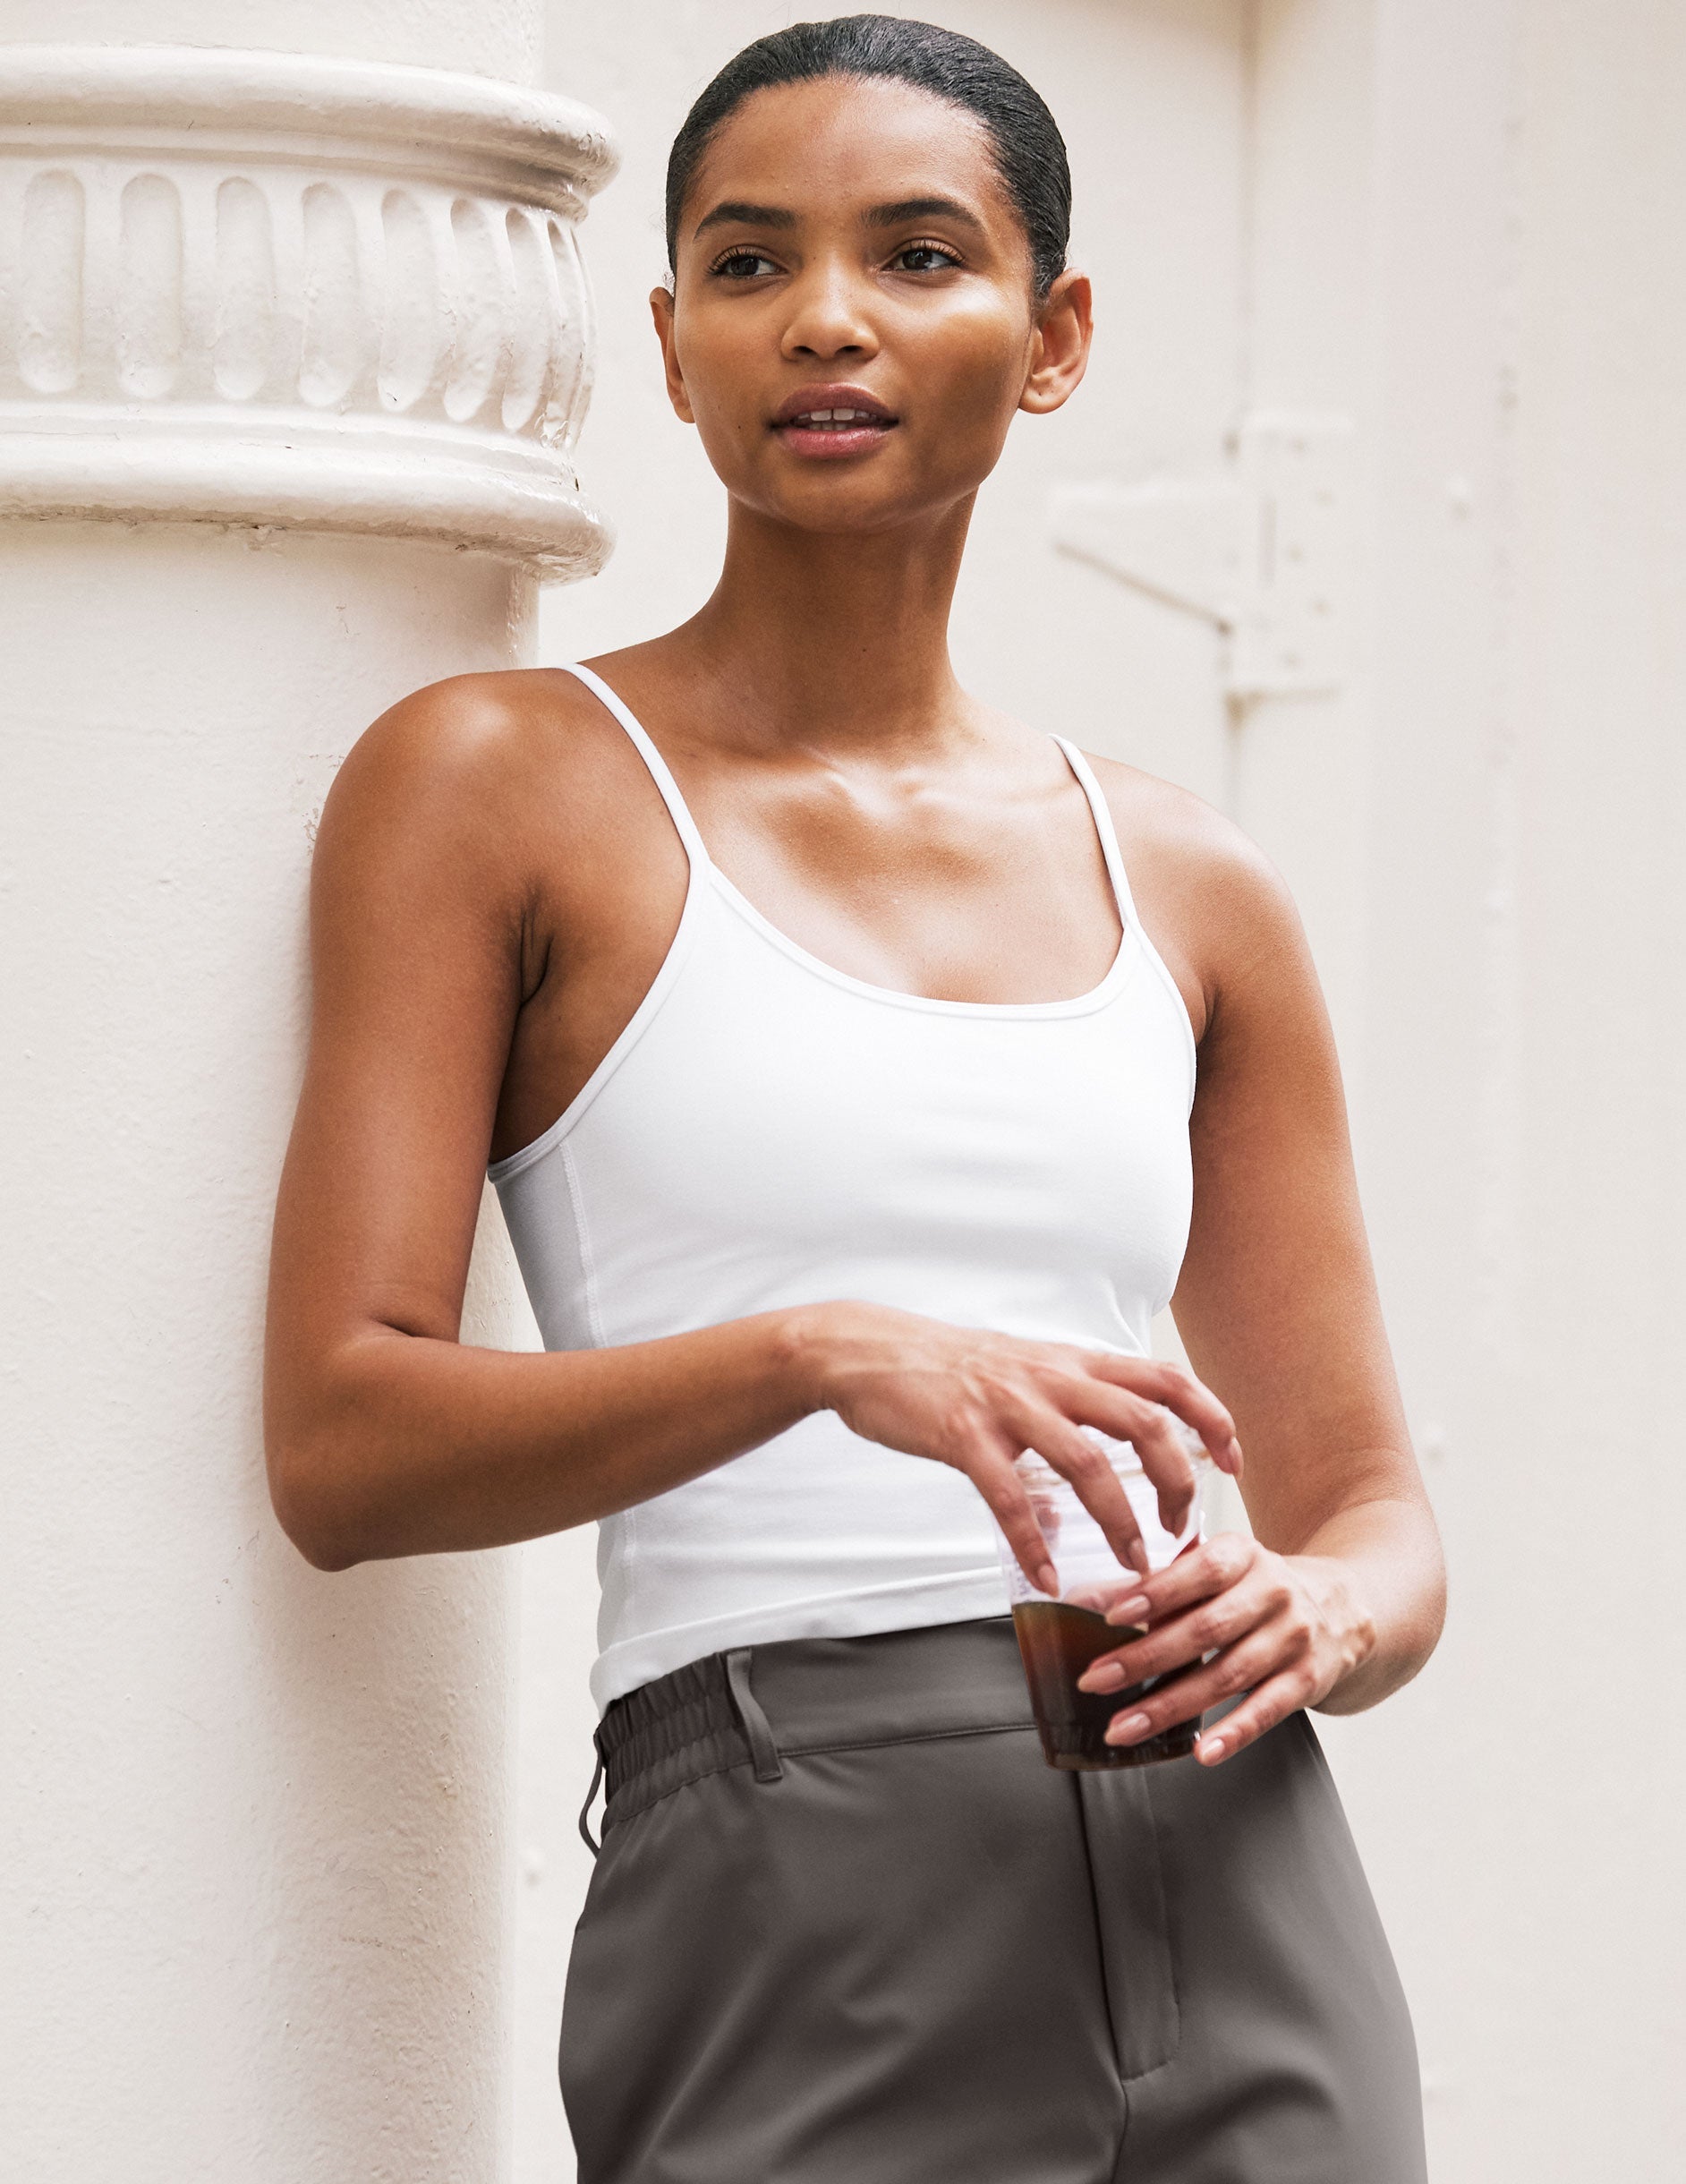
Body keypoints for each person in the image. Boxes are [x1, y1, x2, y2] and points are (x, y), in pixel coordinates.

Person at [265, 16, 1444, 2181]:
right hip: (797, 1842)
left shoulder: (1188, 874)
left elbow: (1374, 1505)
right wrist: (822, 1351)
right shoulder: (496, 783)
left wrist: (1332, 1606)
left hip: (1243, 1837)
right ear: (673, 342)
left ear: (1053, 331)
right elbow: (342, 1439)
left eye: (917, 254)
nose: (826, 318)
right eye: (747, 262)